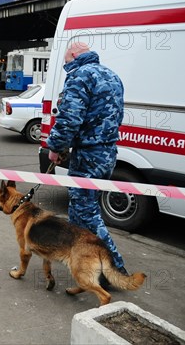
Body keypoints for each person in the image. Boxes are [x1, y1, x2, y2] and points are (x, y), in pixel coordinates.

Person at [46, 42, 128, 278]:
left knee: (87, 215)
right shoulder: (112, 76)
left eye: (65, 61)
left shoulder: (80, 76)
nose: (65, 66)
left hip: (88, 156)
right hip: (107, 153)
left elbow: (69, 119)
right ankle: (85, 265)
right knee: (79, 215)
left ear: (73, 55)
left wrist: (55, 147)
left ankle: (114, 269)